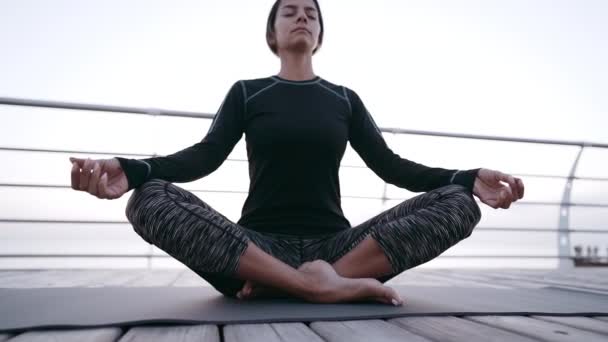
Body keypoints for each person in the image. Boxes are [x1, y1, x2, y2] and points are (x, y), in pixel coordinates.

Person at [69, 0, 524, 306]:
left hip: (338, 247)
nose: (302, 16)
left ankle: (314, 280)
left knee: (459, 204)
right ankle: (316, 285)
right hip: (254, 248)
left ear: (320, 33)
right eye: (290, 12)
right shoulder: (247, 93)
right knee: (148, 199)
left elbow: (392, 167)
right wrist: (132, 170)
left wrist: (467, 178)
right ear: (273, 33)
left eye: (311, 13)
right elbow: (203, 157)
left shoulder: (344, 99)